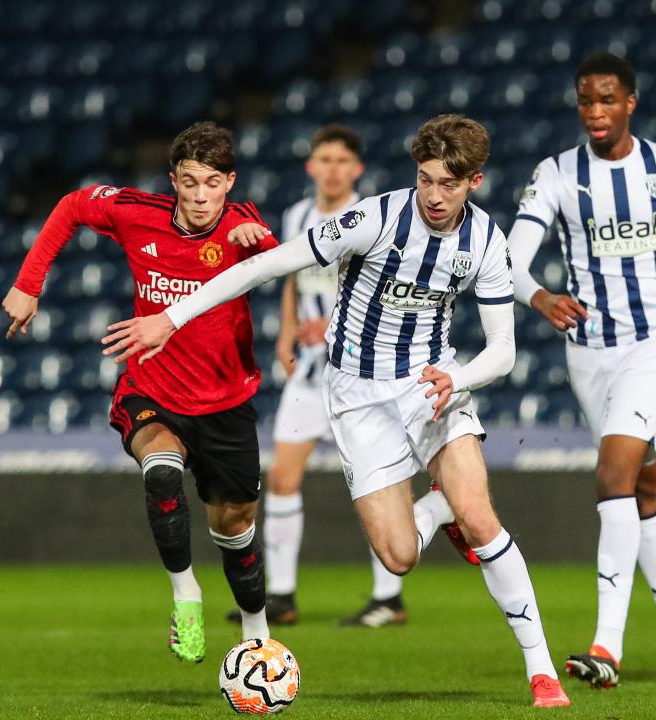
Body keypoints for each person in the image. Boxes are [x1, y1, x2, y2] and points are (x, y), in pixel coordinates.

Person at [102, 114, 571, 708]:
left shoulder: (486, 243)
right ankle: (441, 505)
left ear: (473, 181)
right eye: (424, 179)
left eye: (447, 184)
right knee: (399, 558)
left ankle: (542, 672)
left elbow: (502, 350)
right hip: (358, 398)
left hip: (435, 387)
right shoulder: (373, 219)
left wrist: (457, 376)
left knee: (482, 518)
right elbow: (263, 266)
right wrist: (171, 318)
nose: (433, 195)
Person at [2, 121, 279, 664]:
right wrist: (28, 282)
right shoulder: (136, 213)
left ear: (230, 182)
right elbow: (73, 206)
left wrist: (263, 242)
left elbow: (279, 257)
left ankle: (256, 630)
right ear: (173, 179)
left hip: (225, 400)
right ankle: (185, 595)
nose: (201, 196)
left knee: (236, 526)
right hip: (151, 387)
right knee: (161, 470)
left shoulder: (244, 224)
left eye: (213, 183)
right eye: (190, 182)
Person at [508, 52, 656, 688]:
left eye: (606, 100)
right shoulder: (558, 175)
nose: (594, 112)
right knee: (645, 486)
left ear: (630, 102)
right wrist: (539, 296)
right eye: (584, 101)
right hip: (589, 353)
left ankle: (607, 646)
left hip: (654, 343)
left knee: (614, 471)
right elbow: (511, 256)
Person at [244, 124, 410, 627]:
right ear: (310, 166)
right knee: (281, 478)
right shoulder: (297, 215)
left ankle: (388, 598)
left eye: (342, 160)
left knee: (378, 479)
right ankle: (282, 595)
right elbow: (295, 277)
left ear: (356, 169)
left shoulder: (374, 217)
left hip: (362, 369)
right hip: (312, 372)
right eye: (325, 159)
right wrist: (285, 332)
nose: (332, 169)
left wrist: (333, 324)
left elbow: (383, 290)